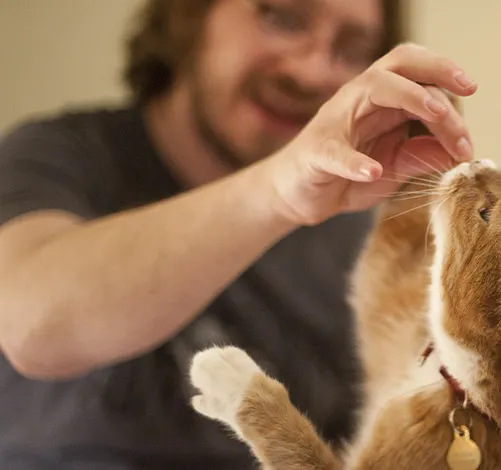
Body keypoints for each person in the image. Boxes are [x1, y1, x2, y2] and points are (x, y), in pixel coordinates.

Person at [0, 0, 476, 468]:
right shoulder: (58, 158)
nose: (312, 72)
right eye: (283, 19)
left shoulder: (363, 236)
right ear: (192, 16)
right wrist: (278, 188)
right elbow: (33, 328)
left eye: (352, 49)